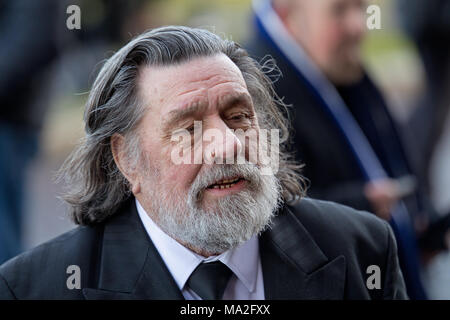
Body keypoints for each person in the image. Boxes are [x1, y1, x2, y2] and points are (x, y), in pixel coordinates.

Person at [0, 26, 407, 300]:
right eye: (189, 129)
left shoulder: (362, 249)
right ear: (126, 160)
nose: (227, 145)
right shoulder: (34, 288)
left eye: (238, 117)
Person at [246, 0, 450, 299]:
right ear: (286, 10)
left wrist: (424, 224)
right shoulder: (256, 90)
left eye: (362, 8)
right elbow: (263, 217)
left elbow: (393, 164)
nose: (359, 25)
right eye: (339, 10)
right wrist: (361, 207)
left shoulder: (339, 62)